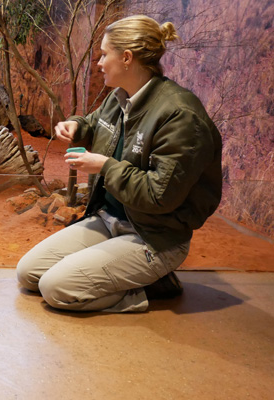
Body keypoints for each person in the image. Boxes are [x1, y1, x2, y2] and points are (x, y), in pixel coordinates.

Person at [16, 15, 222, 312]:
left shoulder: (180, 115)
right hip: (109, 219)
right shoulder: (119, 97)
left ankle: (150, 286)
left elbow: (159, 196)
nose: (98, 63)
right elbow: (96, 124)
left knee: (56, 289)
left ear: (127, 58)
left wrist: (105, 166)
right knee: (29, 273)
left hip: (154, 237)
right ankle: (121, 273)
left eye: (103, 54)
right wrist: (75, 126)